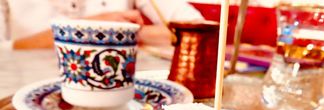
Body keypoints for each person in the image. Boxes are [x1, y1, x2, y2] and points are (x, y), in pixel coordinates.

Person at [0, 0, 203, 49]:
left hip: (119, 93)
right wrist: (91, 27)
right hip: (20, 92)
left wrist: (127, 32)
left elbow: (198, 27)